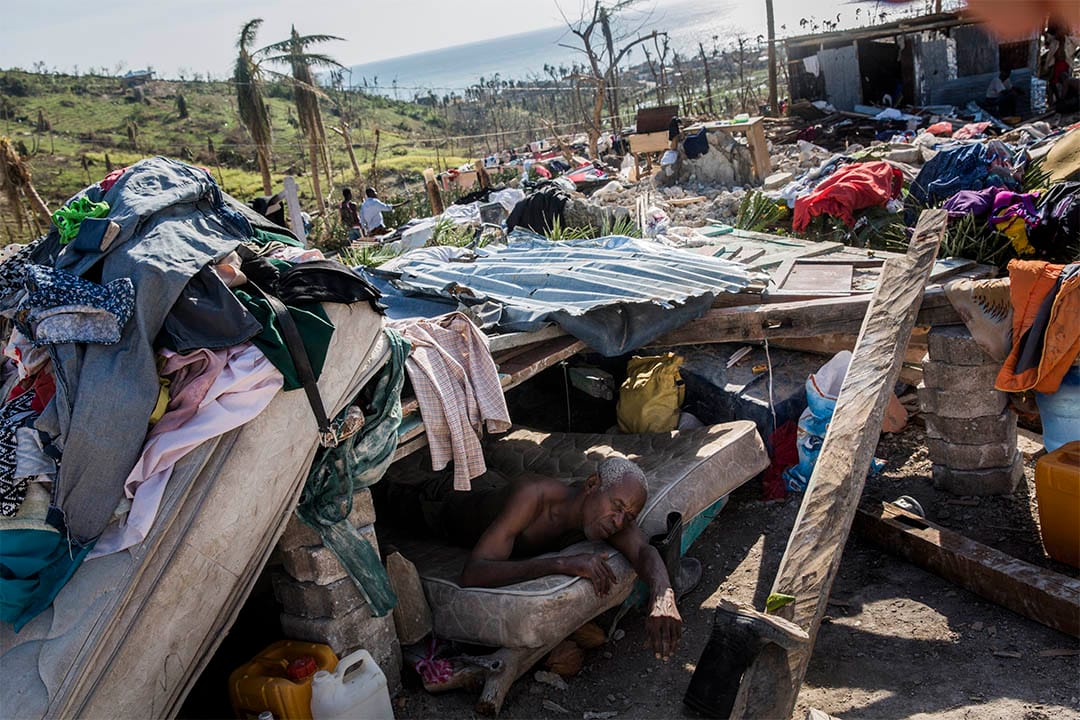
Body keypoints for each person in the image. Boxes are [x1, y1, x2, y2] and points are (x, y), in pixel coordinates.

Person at [381, 457, 683, 660]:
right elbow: (473, 573)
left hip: (494, 490)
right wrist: (561, 564)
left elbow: (644, 551)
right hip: (445, 505)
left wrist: (662, 594)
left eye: (628, 516)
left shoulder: (606, 517)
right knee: (386, 494)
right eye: (617, 506)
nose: (619, 521)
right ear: (591, 485)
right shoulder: (533, 496)